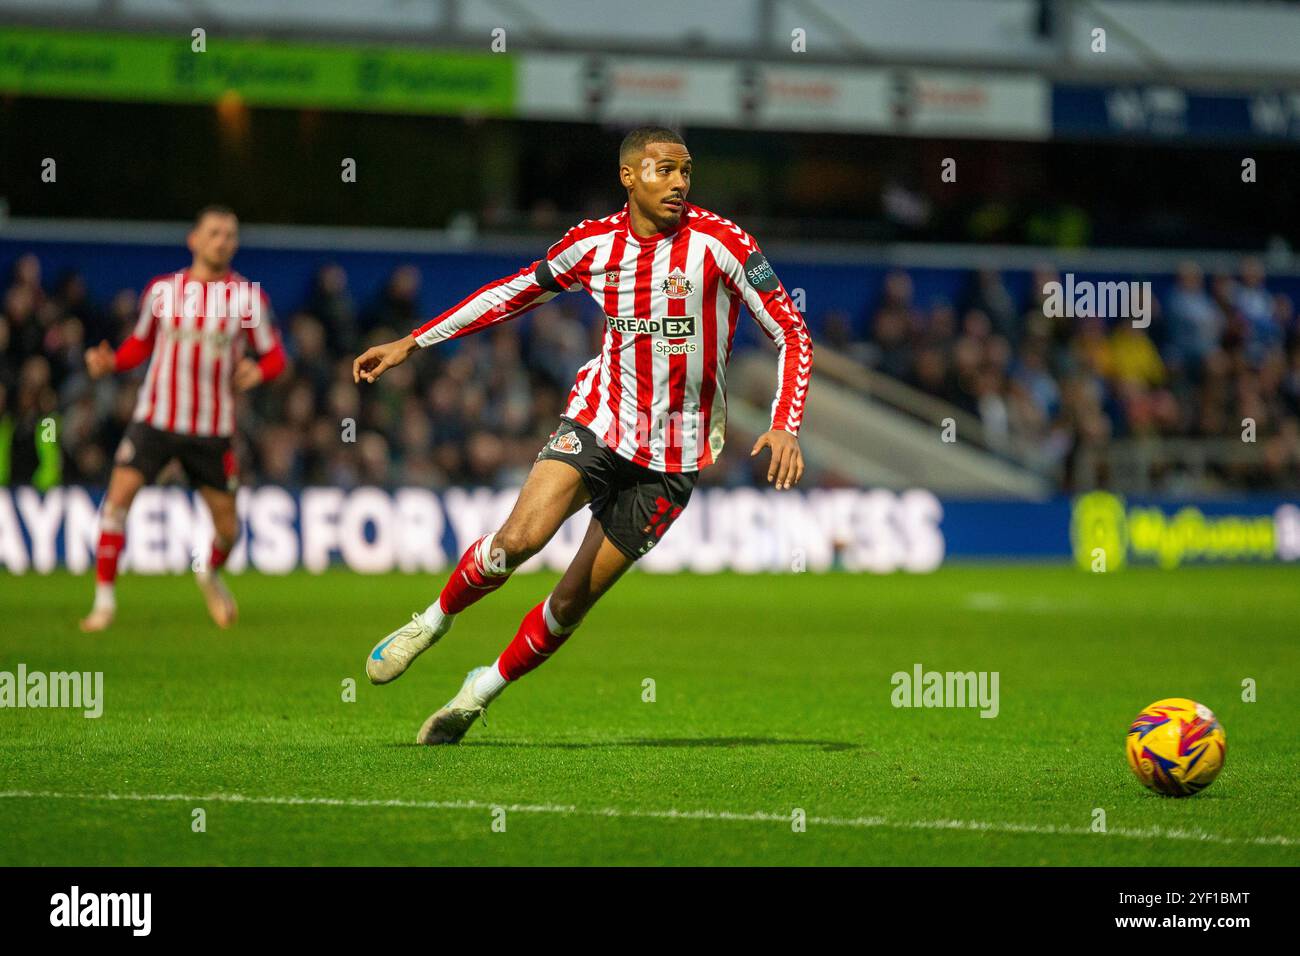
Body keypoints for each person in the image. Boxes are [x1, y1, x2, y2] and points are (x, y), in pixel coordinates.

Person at [353, 127, 812, 744]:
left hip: (673, 460)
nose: (679, 183)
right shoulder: (593, 245)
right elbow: (510, 294)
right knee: (520, 538)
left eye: (686, 171)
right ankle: (432, 621)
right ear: (629, 177)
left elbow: (791, 331)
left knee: (570, 604)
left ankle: (476, 693)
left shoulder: (721, 243)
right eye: (664, 170)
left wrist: (785, 421)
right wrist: (414, 340)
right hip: (601, 422)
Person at [79, 206, 286, 632]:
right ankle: (103, 604)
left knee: (229, 532)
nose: (223, 240)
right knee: (116, 504)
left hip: (212, 429)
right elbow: (139, 345)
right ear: (194, 239)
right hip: (155, 419)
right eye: (214, 233)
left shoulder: (247, 299)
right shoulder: (162, 292)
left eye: (230, 234)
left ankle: (208, 570)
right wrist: (111, 362)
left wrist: (259, 371)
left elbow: (276, 356)